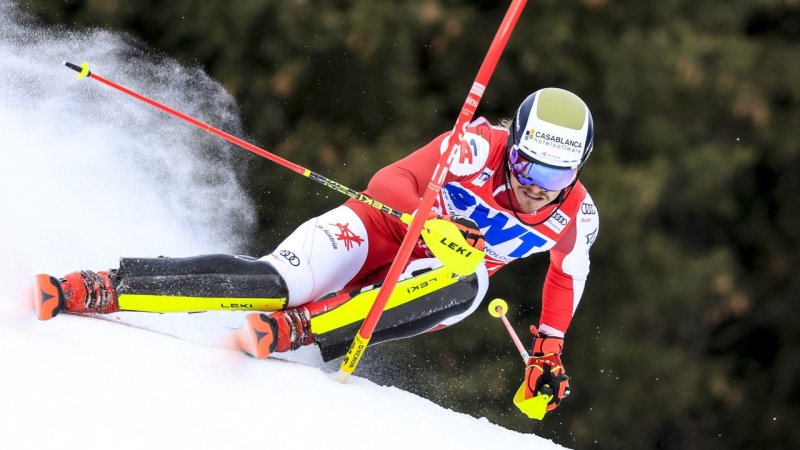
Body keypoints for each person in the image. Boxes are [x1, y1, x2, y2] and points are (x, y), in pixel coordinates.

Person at [34, 87, 598, 413]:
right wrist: (430, 227)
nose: (536, 185)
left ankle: (298, 330)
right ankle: (98, 287)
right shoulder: (476, 146)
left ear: (578, 169)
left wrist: (546, 354)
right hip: (375, 232)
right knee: (269, 283)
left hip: (421, 287)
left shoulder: (577, 214)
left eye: (557, 174)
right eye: (527, 164)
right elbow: (390, 182)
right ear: (515, 143)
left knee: (470, 282)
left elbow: (565, 277)